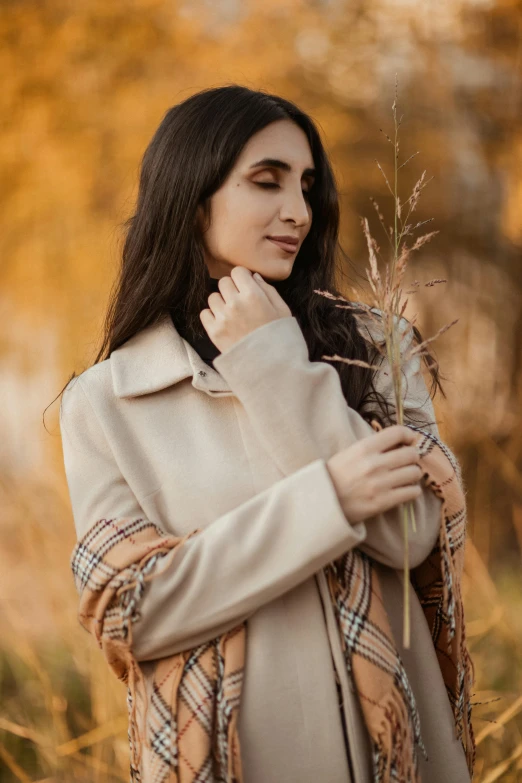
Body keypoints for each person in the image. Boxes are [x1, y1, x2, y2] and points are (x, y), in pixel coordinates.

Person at [58, 85, 473, 782]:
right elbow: (131, 613)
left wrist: (277, 365)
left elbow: (408, 532)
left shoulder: (378, 345)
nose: (299, 212)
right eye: (267, 181)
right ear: (193, 196)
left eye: (307, 185)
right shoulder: (106, 401)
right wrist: (329, 499)